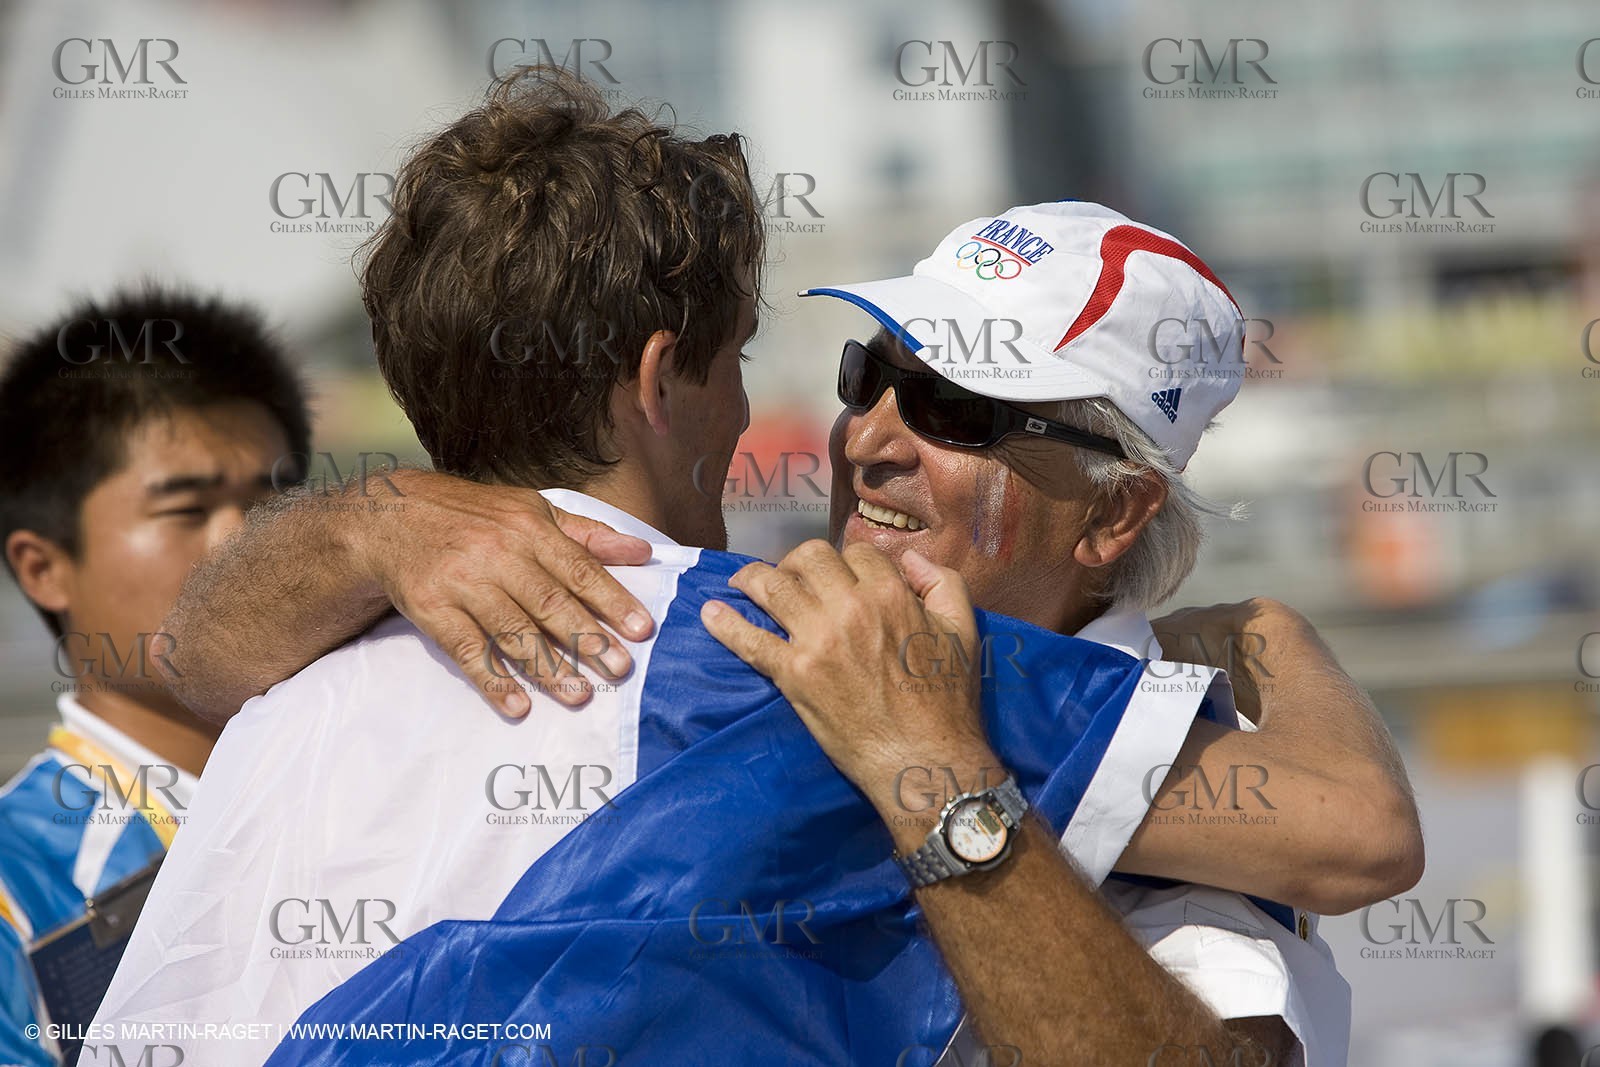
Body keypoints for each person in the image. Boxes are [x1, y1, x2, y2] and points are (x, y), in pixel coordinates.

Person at [98, 71, 1419, 1066]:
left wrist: (360, 522)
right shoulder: (763, 650)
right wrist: (1267, 639)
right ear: (665, 379)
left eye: (960, 407)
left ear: (1118, 513)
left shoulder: (283, 683)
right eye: (872, 374)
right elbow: (1359, 824)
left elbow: (185, 654)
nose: (871, 435)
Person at [0, 287, 652, 1067]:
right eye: (186, 508)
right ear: (42, 568)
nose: (241, 540)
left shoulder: (394, 765)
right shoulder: (20, 887)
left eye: (272, 500)